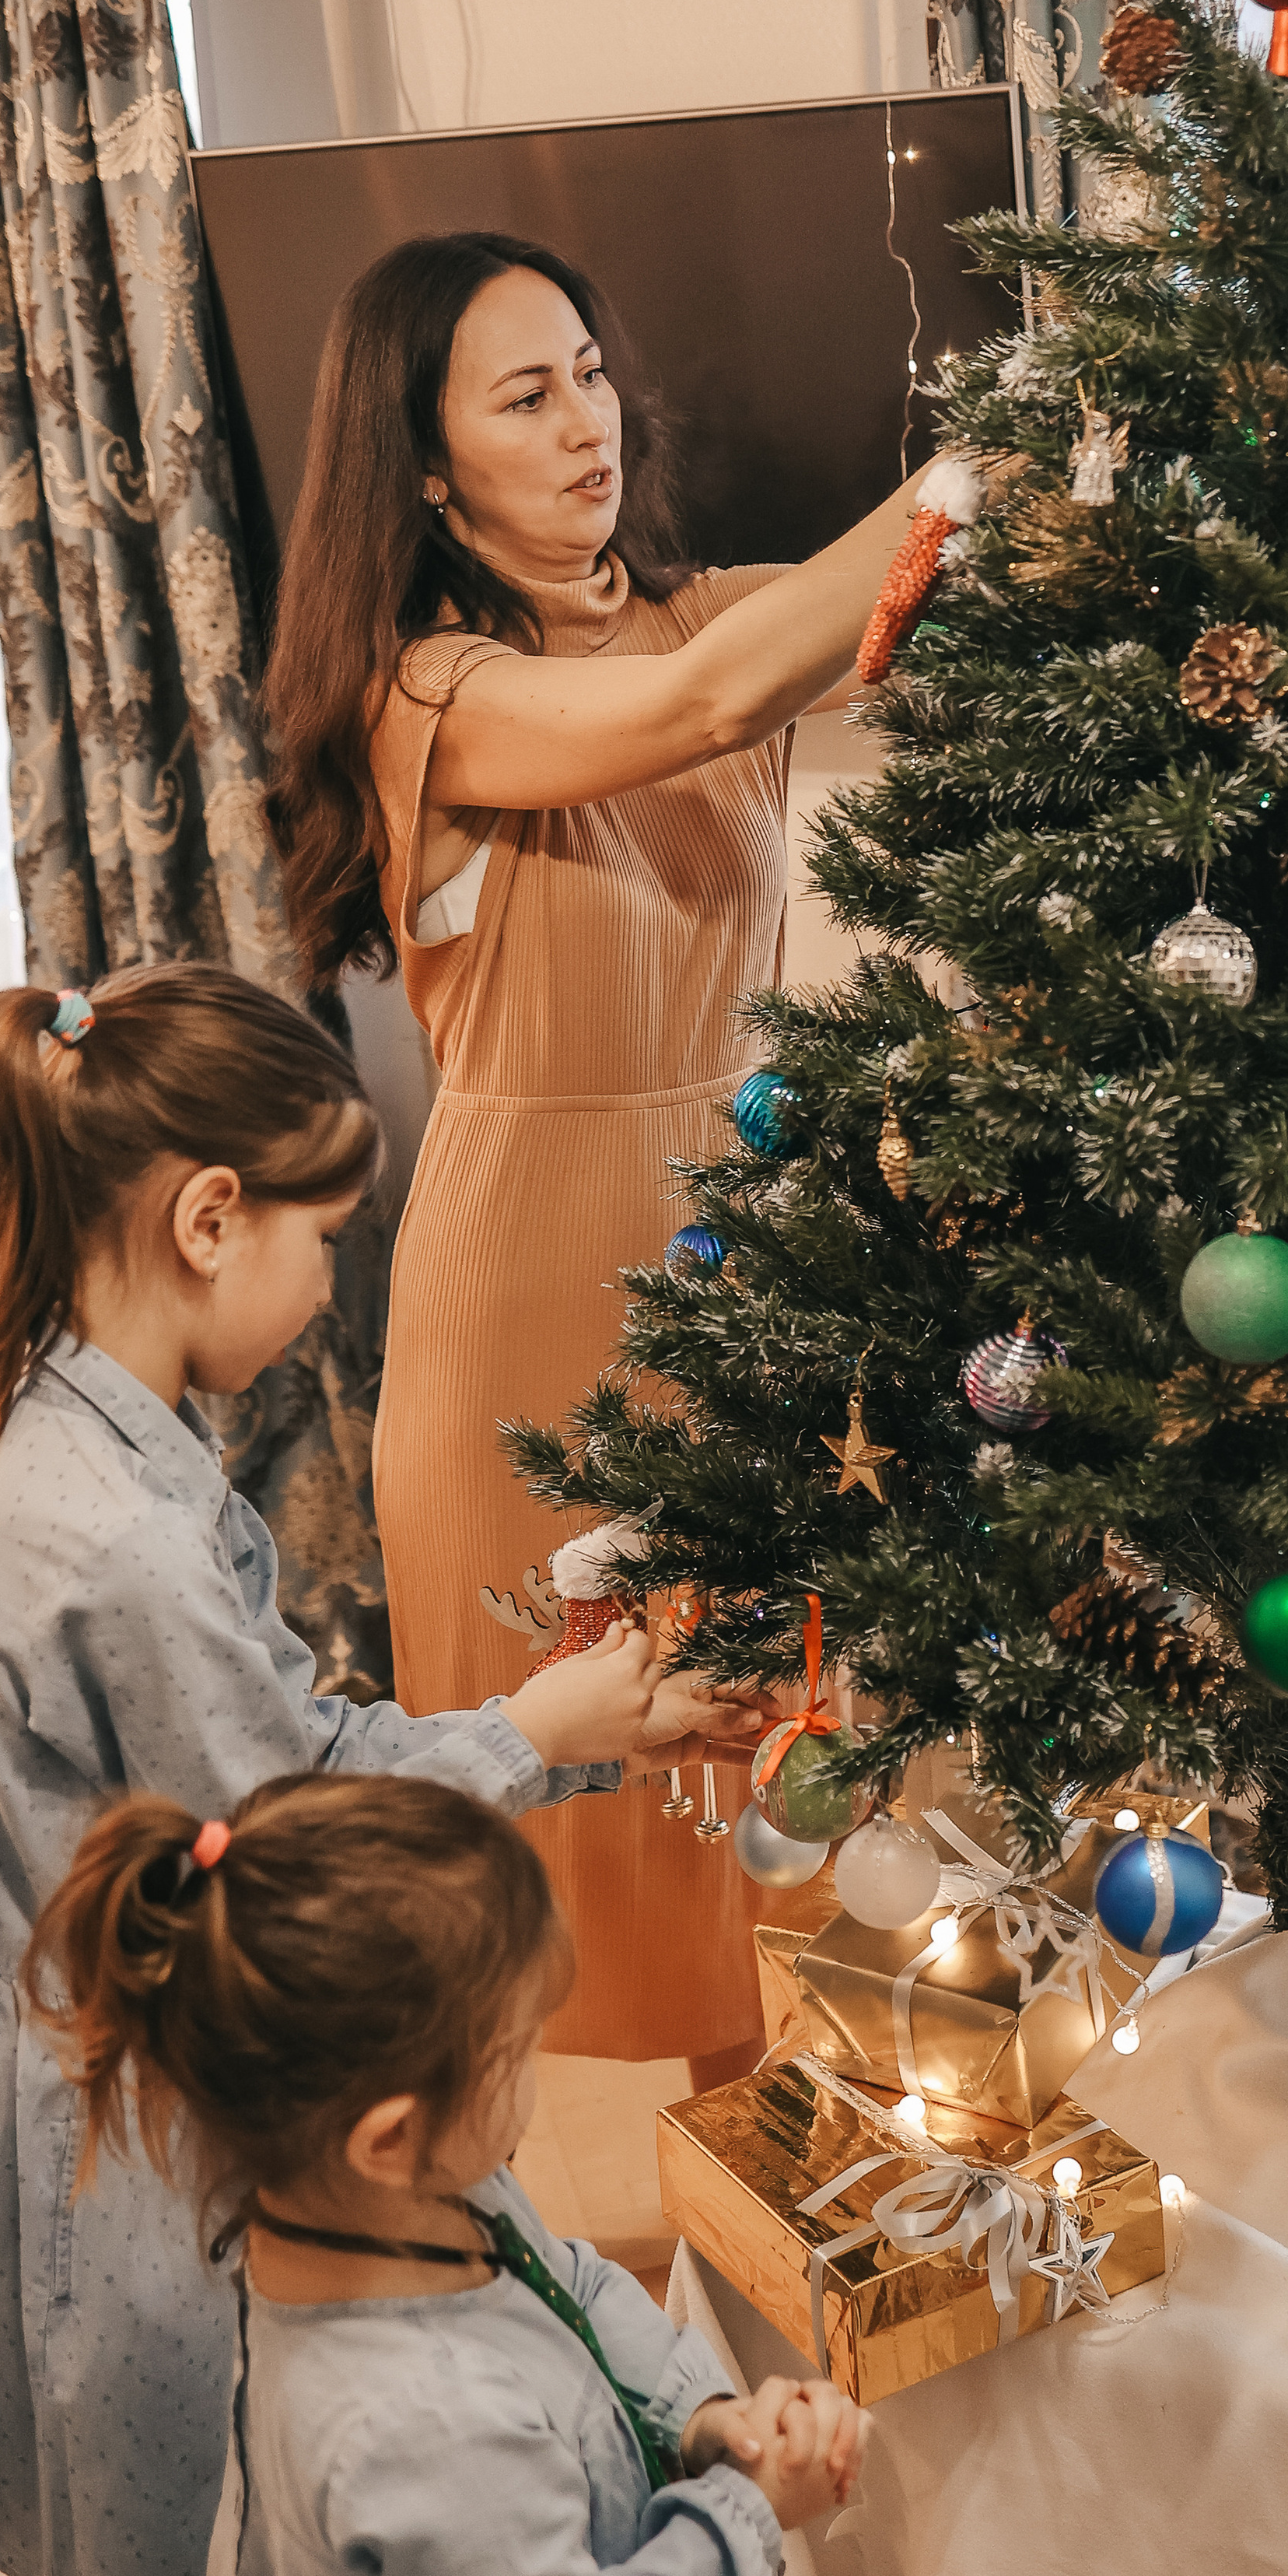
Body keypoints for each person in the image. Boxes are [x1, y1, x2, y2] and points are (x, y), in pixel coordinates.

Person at [0, 963, 760, 2576]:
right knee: (145, 2516)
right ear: (211, 1219)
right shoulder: (119, 1541)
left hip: (55, 2066)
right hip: (94, 2119)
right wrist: (540, 1731)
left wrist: (565, 1731)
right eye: (328, 1239)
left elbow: (272, 1758)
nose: (327, 1284)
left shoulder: (90, 1440)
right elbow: (301, 1825)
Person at [264, 232, 917, 2080]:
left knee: (763, 1760)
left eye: (592, 374)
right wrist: (949, 481)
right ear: (425, 466)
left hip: (727, 1263)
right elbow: (696, 712)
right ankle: (498, 2220)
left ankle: (753, 2196)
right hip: (520, 1289)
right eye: (524, 396)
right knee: (550, 1814)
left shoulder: (705, 614)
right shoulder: (425, 690)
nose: (585, 423)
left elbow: (847, 623)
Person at [23, 1770, 868, 2576]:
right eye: (517, 2050)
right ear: (390, 2136)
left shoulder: (396, 2196)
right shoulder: (426, 2433)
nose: (534, 2076)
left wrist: (702, 2421)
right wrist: (748, 2511)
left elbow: (569, 2287)